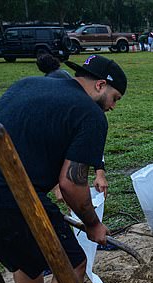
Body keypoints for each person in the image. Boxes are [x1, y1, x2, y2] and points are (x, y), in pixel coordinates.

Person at [0, 54, 127, 283]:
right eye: (114, 98)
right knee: (73, 262)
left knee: (25, 260)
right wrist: (93, 225)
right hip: (11, 194)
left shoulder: (28, 85)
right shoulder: (90, 116)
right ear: (100, 85)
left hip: (6, 193)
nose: (112, 106)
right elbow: (72, 186)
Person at [35, 54, 109, 200]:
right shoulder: (50, 115)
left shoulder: (82, 109)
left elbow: (93, 141)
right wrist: (58, 187)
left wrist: (100, 173)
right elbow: (45, 152)